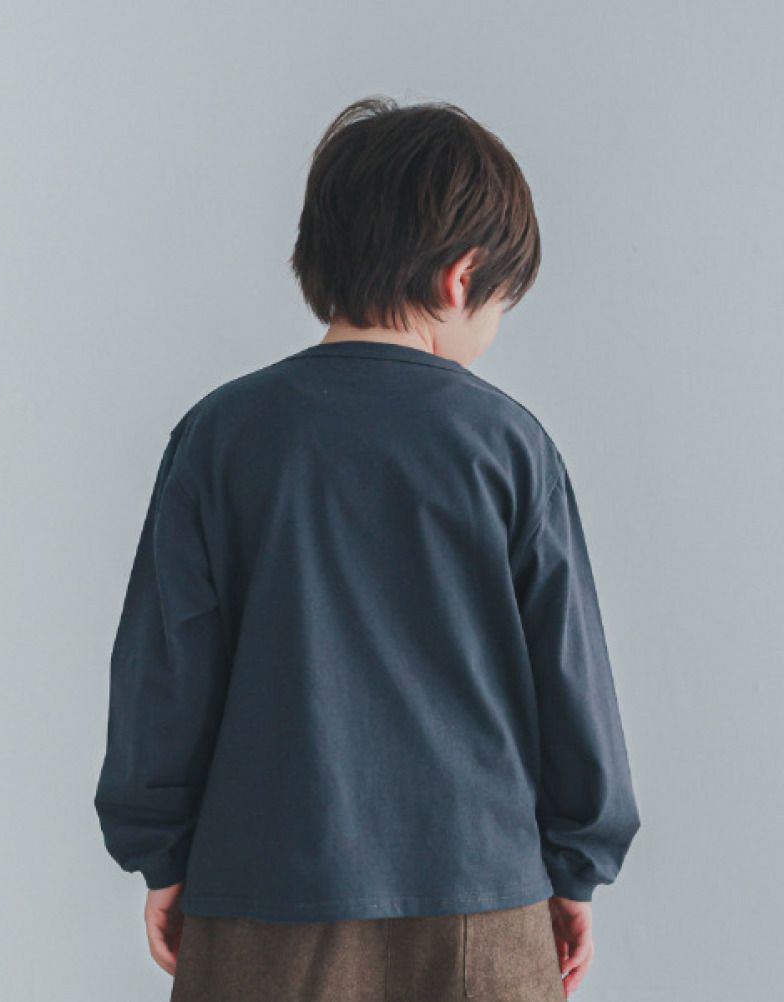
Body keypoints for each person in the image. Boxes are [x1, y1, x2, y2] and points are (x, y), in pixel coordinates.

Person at [93, 95, 641, 1002]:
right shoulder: (509, 446)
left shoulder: (222, 436)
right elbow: (570, 678)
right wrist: (575, 867)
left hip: (260, 895)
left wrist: (162, 854)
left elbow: (163, 672)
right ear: (462, 278)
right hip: (483, 894)